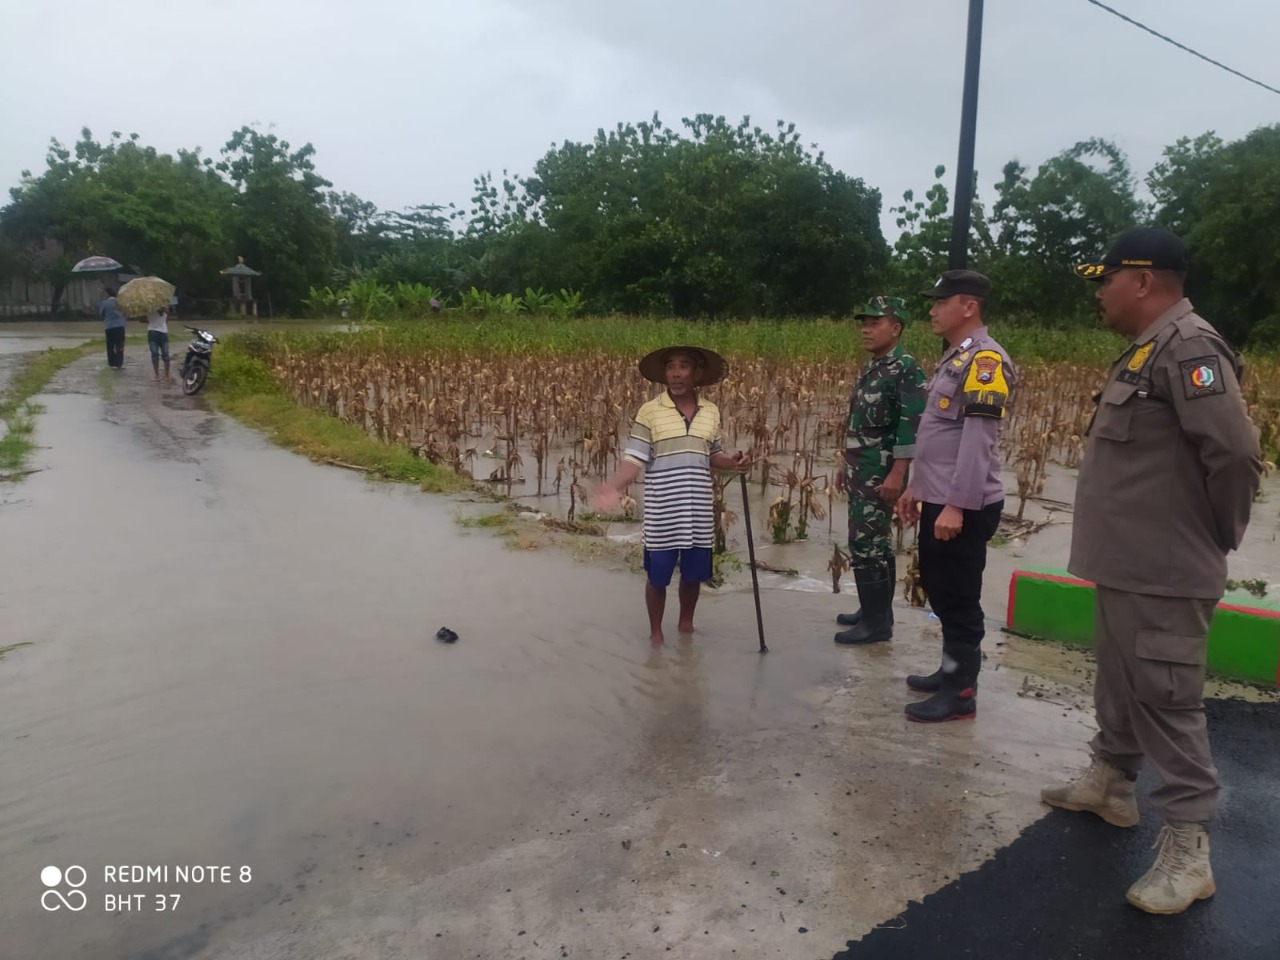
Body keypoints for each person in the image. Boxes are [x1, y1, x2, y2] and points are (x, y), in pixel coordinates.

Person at [1041, 227, 1263, 915]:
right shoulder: (1146, 350)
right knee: (1121, 678)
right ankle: (1111, 781)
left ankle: (1189, 851)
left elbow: (1234, 455)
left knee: (1166, 698)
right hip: (1129, 562)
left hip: (1165, 565)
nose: (1100, 289)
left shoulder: (1190, 348)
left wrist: (1215, 534)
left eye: (1106, 277)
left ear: (1143, 279)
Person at [895, 270, 1015, 723]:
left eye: (941, 301)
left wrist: (956, 506)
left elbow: (977, 442)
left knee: (959, 598)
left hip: (964, 504)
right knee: (943, 592)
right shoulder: (956, 358)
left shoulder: (986, 362)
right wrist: (916, 489)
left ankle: (961, 691)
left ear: (969, 306)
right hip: (941, 499)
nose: (932, 308)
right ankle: (949, 673)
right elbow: (938, 437)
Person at [595, 346, 750, 645]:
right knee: (658, 577)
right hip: (663, 511)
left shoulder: (711, 412)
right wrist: (614, 486)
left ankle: (686, 627)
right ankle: (655, 634)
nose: (676, 373)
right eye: (671, 367)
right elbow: (635, 459)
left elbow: (713, 455)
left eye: (684, 366)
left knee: (693, 576)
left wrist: (733, 463)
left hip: (699, 511)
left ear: (698, 373)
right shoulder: (650, 411)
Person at [833, 296, 927, 645]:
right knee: (877, 542)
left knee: (865, 542)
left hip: (881, 471)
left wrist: (897, 475)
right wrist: (846, 464)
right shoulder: (875, 366)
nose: (866, 329)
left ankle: (876, 625)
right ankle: (876, 611)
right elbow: (861, 423)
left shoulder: (905, 368)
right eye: (864, 323)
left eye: (875, 322)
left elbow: (910, 425)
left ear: (896, 327)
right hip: (862, 465)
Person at [137, 306, 171, 382]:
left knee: (165, 354)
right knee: (155, 354)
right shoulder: (149, 310)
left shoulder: (165, 309)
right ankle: (157, 374)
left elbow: (167, 319)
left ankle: (167, 374)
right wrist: (148, 318)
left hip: (163, 333)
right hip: (153, 332)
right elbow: (141, 320)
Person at [98, 285, 127, 369]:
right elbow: (126, 313)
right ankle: (119, 363)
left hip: (109, 327)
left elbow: (101, 314)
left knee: (110, 346)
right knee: (120, 345)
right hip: (120, 327)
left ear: (107, 294)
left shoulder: (105, 303)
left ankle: (111, 363)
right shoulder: (121, 303)